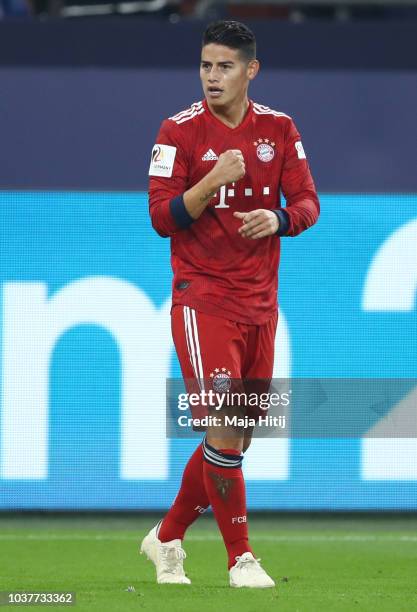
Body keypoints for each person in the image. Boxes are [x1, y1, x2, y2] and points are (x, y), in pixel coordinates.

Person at [141, 20, 320, 588]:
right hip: (203, 299)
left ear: (250, 70)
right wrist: (212, 180)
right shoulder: (177, 131)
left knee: (236, 439)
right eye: (205, 65)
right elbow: (161, 218)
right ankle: (241, 558)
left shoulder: (280, 128)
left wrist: (280, 218)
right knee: (222, 429)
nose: (212, 76)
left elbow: (310, 201)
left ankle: (167, 537)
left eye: (224, 66)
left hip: (260, 304)